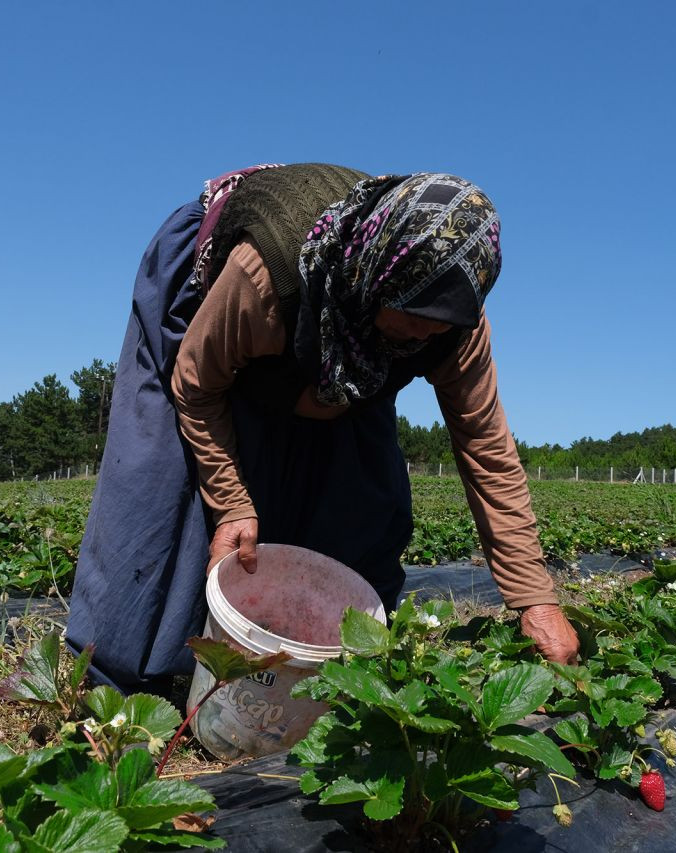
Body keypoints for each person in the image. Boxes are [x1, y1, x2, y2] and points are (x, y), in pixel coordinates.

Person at [66, 163, 580, 693]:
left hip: (345, 355)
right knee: (162, 484)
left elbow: (486, 448)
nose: (423, 336)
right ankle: (117, 687)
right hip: (218, 306)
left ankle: (331, 677)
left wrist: (535, 598)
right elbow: (196, 385)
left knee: (367, 505)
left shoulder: (452, 322)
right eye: (413, 315)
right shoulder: (267, 275)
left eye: (439, 325)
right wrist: (232, 503)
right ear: (377, 274)